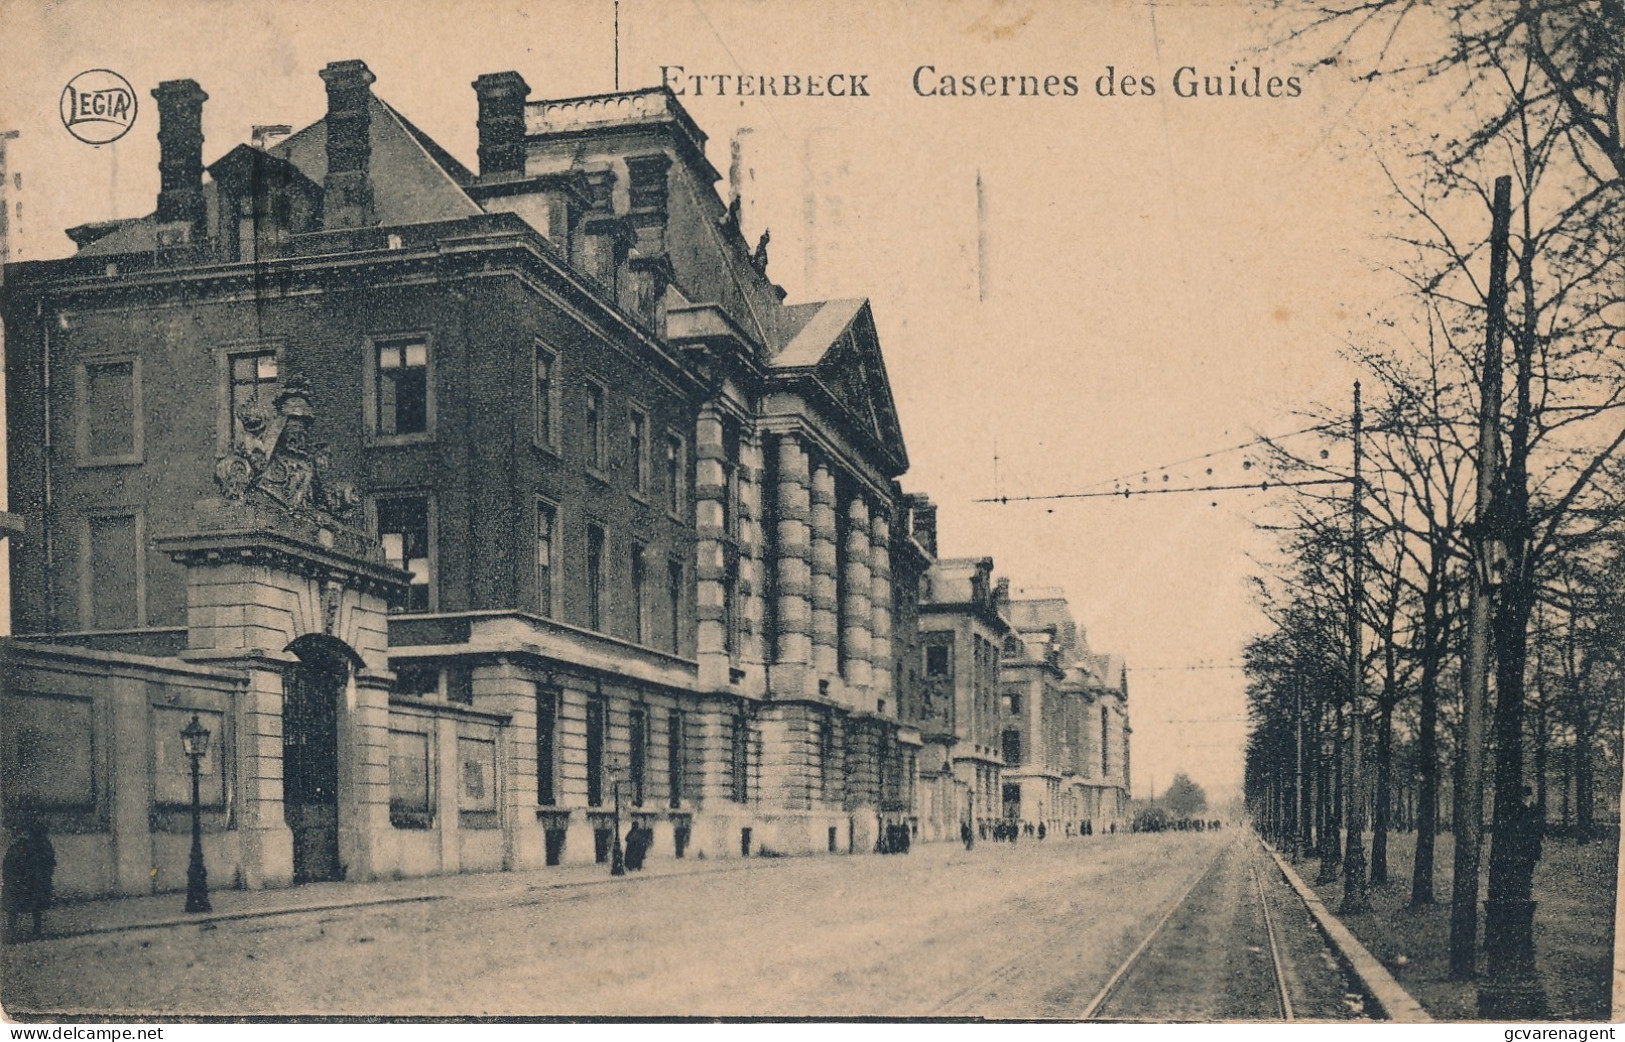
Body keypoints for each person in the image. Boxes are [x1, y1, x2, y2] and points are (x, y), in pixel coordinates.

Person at [3, 818, 56, 940]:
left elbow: (48, 864)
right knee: (24, 906)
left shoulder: (36, 846)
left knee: (29, 905)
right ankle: (16, 929)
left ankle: (26, 929)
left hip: (28, 881)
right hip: (23, 881)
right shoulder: (24, 847)